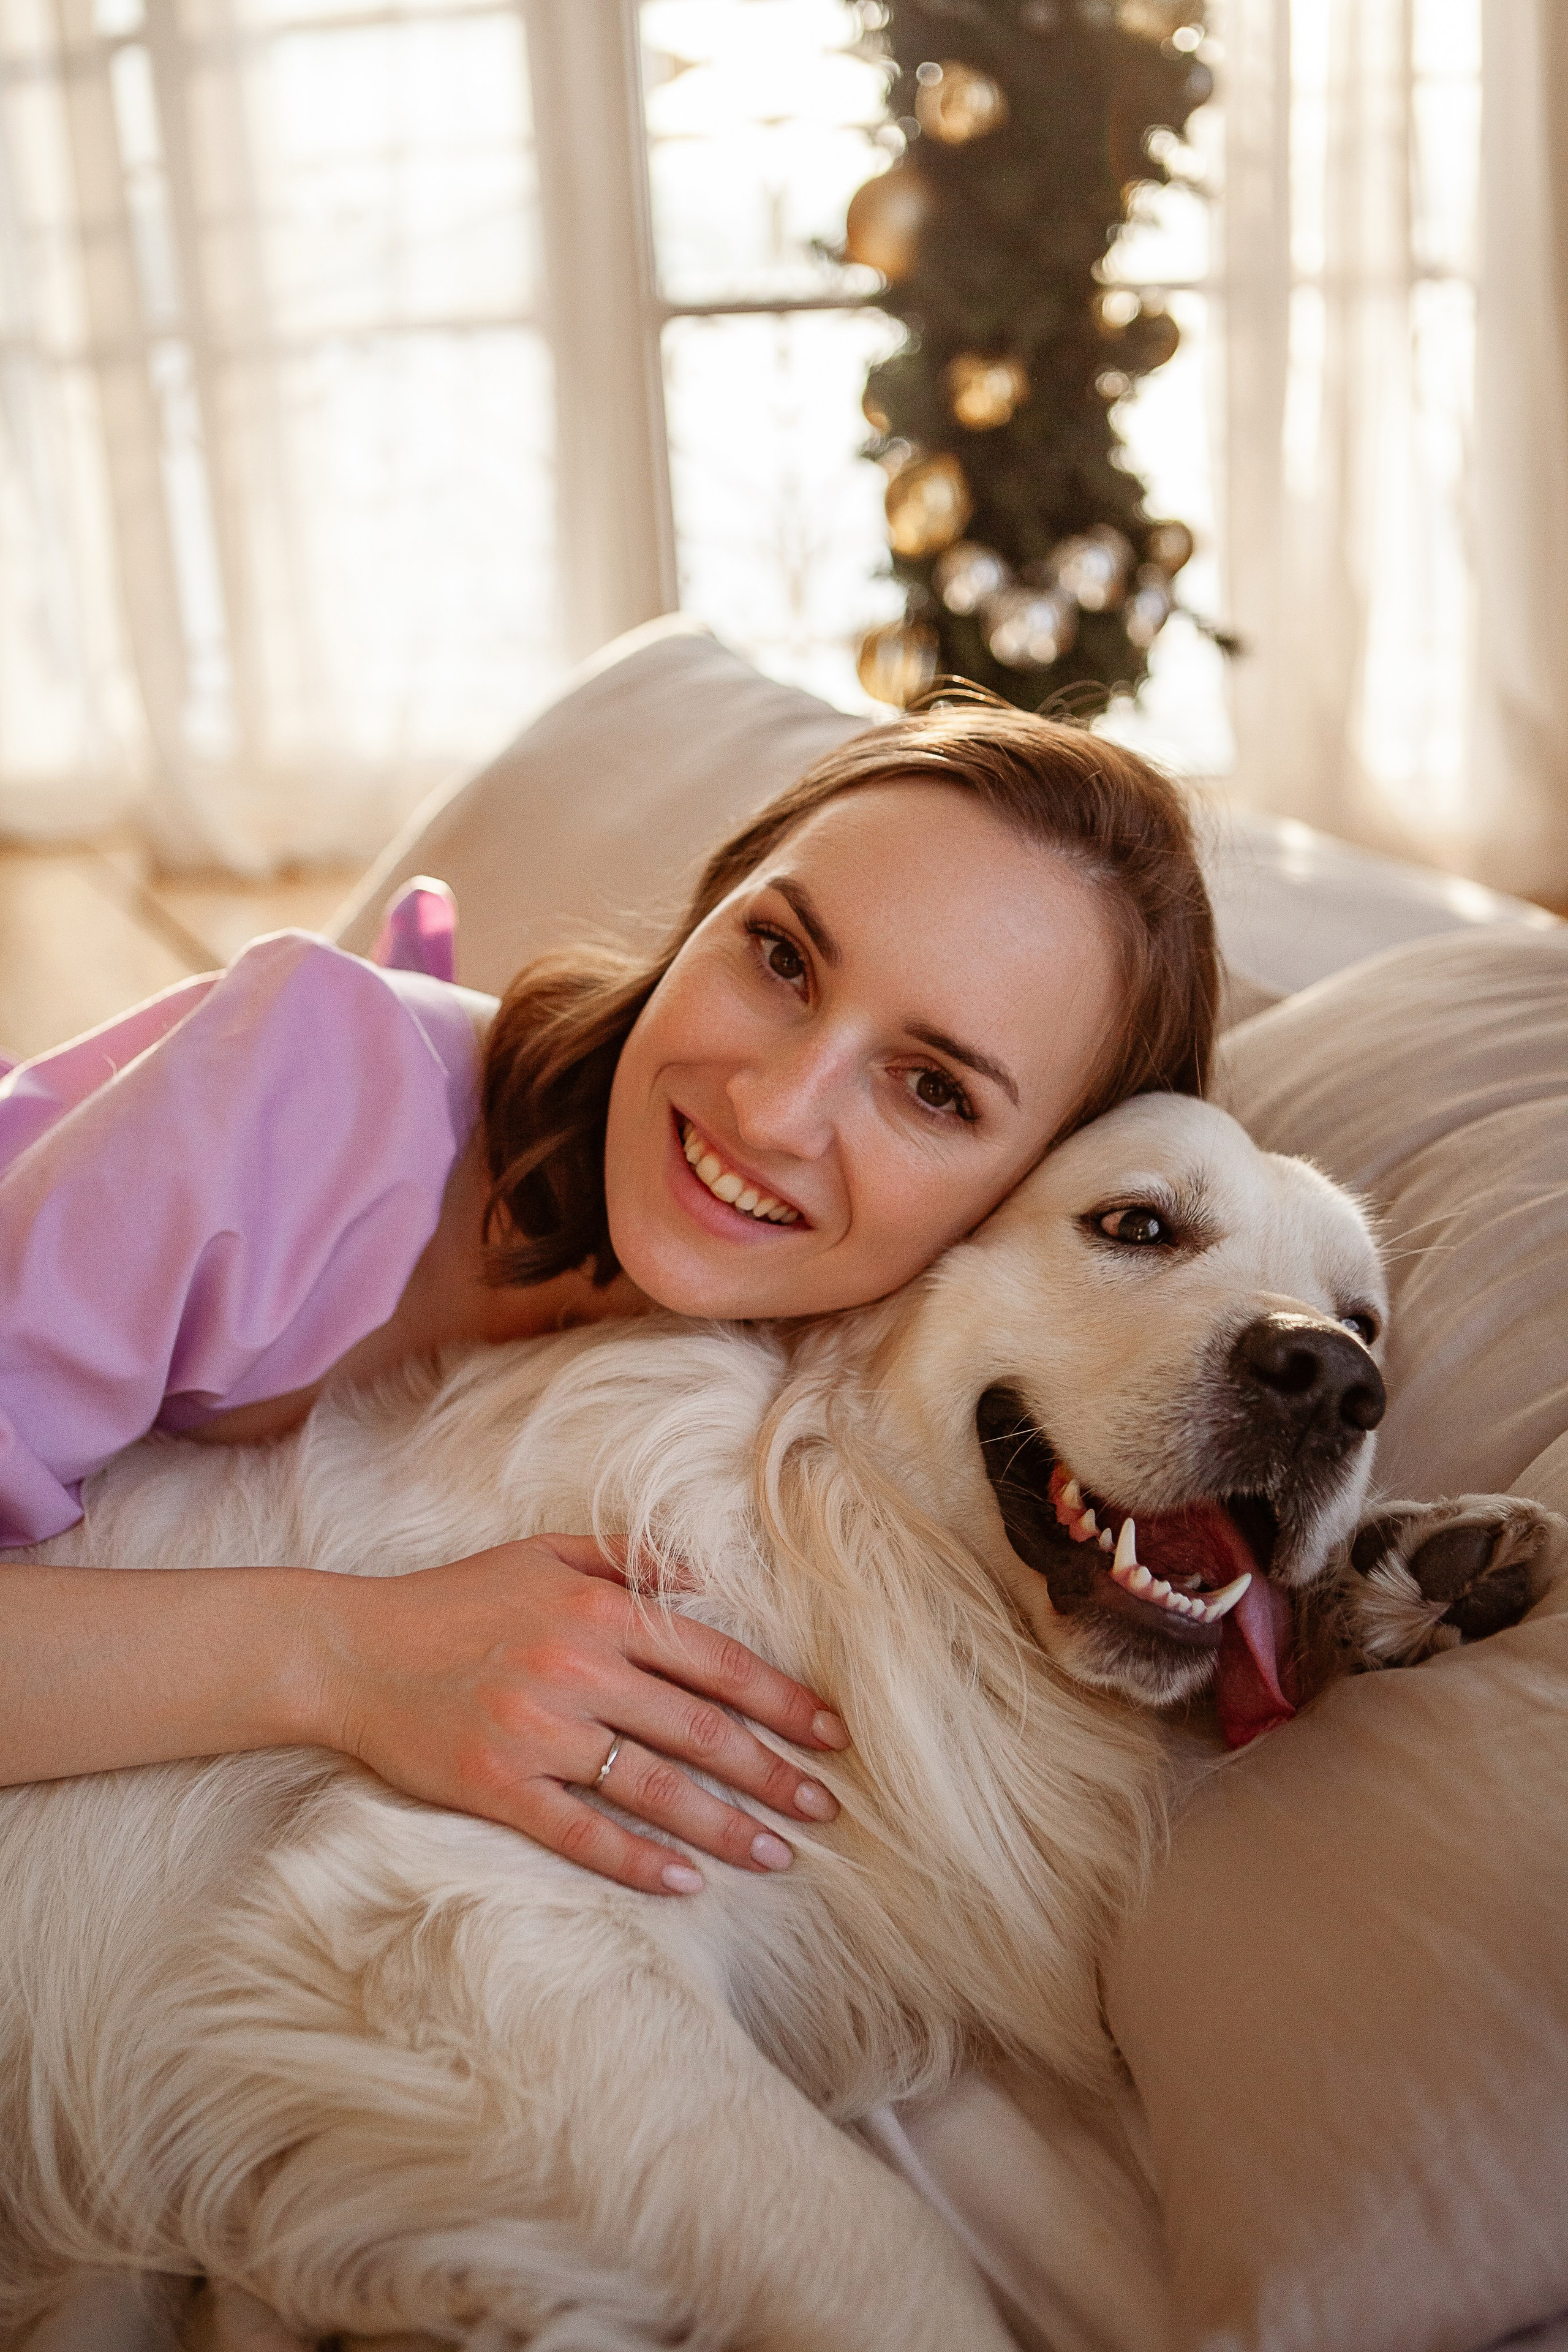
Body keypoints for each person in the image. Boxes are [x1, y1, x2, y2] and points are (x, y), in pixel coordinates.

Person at [0, 695, 1218, 1896]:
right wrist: (346, 1654)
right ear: (706, 912)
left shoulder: (841, 1392)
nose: (772, 1110)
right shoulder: (304, 1092)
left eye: (933, 1089)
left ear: (1031, 1194)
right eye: (781, 958)